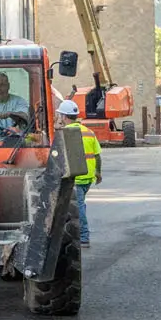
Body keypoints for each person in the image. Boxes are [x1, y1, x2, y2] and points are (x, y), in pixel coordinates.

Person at [58, 99, 101, 245]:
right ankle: (81, 232)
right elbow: (97, 155)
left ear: (64, 116)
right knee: (80, 204)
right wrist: (98, 172)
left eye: (60, 116)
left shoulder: (66, 133)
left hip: (76, 177)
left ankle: (84, 236)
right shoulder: (89, 132)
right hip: (88, 177)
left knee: (78, 207)